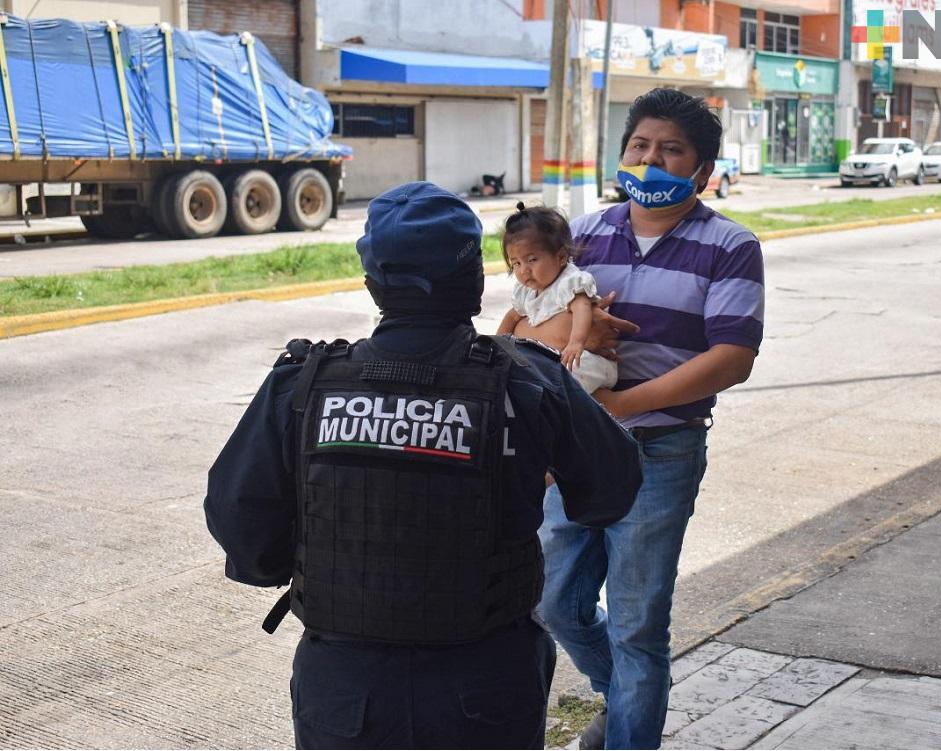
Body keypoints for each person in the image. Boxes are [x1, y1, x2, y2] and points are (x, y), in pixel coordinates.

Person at [203, 181, 643, 750]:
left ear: (373, 284)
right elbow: (612, 488)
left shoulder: (305, 382)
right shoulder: (527, 377)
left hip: (346, 689)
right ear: (475, 282)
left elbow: (239, 516)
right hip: (484, 683)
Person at [538, 88, 765, 749]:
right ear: (621, 153)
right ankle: (622, 695)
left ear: (700, 169)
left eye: (670, 150)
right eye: (640, 145)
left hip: (660, 451)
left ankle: (630, 732)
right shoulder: (581, 235)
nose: (650, 159)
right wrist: (579, 328)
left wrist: (620, 405)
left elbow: (731, 357)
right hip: (575, 448)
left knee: (637, 624)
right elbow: (532, 323)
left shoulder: (729, 245)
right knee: (551, 600)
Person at [496, 201, 617, 393]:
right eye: (516, 263)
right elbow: (512, 316)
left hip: (589, 359)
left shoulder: (569, 281)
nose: (524, 270)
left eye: (532, 260)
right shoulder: (526, 290)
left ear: (560, 257)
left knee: (567, 374)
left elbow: (582, 308)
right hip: (555, 358)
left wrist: (576, 342)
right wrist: (498, 345)